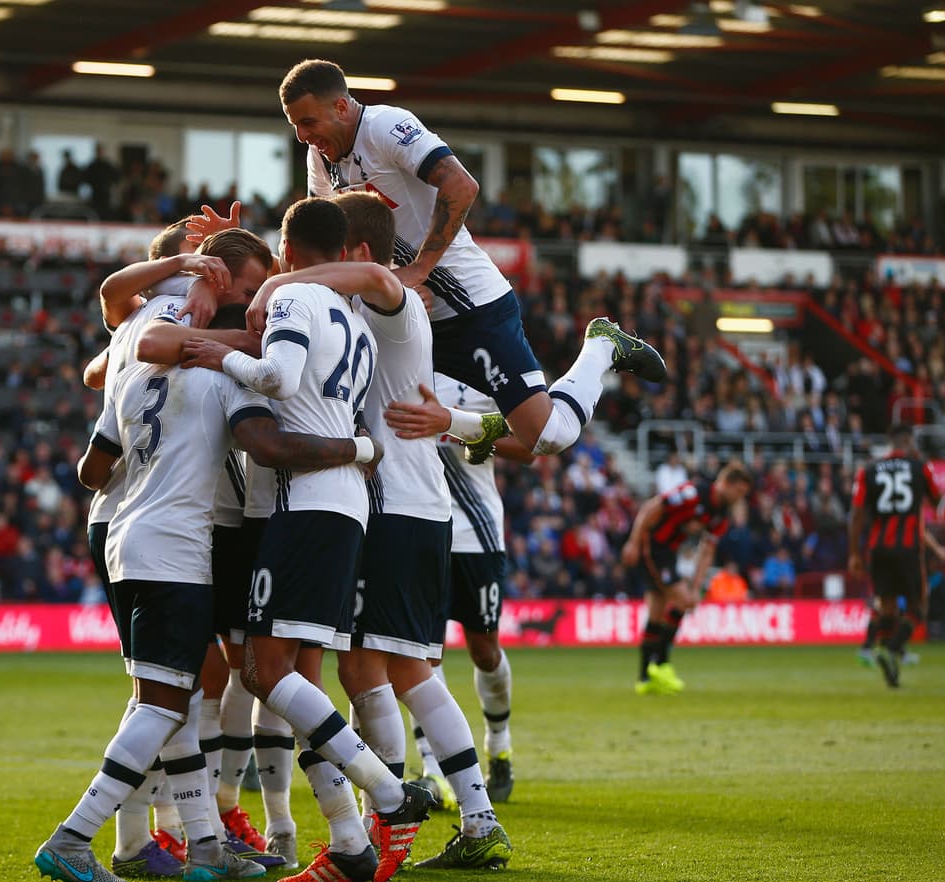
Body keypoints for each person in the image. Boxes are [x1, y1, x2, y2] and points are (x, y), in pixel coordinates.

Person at [35, 304, 383, 882]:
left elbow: (92, 471)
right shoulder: (224, 378)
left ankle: (204, 844)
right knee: (165, 705)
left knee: (169, 695)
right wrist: (358, 449)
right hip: (179, 550)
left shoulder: (130, 375)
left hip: (123, 540)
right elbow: (266, 445)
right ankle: (74, 837)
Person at [240, 191, 513, 874]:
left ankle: (388, 819)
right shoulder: (356, 315)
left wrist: (275, 281)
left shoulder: (393, 302)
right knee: (406, 668)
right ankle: (476, 818)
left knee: (365, 668)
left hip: (391, 503)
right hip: (412, 502)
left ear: (358, 251)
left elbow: (373, 276)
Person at [181, 197, 436, 882]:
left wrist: (218, 355)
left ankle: (389, 794)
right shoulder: (352, 316)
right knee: (302, 680)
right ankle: (349, 840)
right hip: (343, 504)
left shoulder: (294, 299)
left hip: (302, 502)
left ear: (289, 251)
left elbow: (278, 378)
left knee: (266, 673)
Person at [276, 59, 666, 464]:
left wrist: (420, 269)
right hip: (412, 317)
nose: (303, 136)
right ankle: (468, 432)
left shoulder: (384, 126)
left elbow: (461, 185)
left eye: (308, 122)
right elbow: (325, 239)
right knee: (388, 416)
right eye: (295, 126)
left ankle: (602, 345)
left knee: (544, 437)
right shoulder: (319, 157)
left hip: (472, 309)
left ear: (341, 107)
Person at [384, 374, 530, 804]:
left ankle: (499, 746)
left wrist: (459, 427)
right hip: (421, 527)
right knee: (424, 654)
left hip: (477, 534)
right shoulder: (402, 366)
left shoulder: (479, 367)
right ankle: (435, 771)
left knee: (485, 651)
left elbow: (529, 445)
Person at [621, 462, 754, 694]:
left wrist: (696, 587)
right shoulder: (693, 494)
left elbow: (707, 551)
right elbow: (651, 508)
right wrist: (633, 542)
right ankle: (661, 664)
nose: (739, 498)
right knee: (682, 601)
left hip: (669, 553)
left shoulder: (721, 517)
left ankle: (645, 678)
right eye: (739, 491)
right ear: (726, 483)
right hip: (650, 545)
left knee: (658, 610)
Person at [848, 425, 942, 688]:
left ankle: (887, 663)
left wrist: (854, 553)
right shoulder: (919, 467)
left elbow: (857, 514)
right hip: (909, 547)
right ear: (909, 441)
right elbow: (937, 500)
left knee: (886, 607)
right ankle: (893, 648)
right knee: (918, 607)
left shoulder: (868, 470)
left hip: (878, 549)